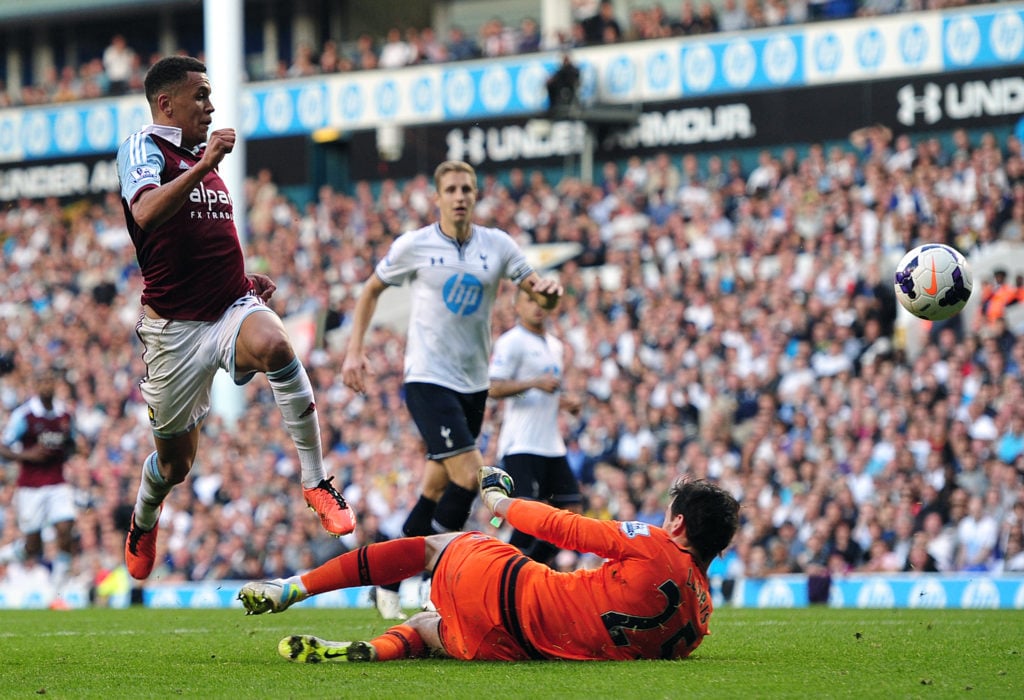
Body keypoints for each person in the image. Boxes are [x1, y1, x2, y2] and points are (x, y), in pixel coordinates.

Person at [116, 55, 355, 581]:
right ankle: (144, 514)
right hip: (173, 332)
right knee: (176, 467)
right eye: (199, 95)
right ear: (166, 103)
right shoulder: (143, 148)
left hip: (229, 307)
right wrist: (204, 166)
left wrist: (247, 284)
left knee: (276, 344)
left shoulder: (203, 157)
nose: (210, 104)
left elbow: (207, 238)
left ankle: (316, 481)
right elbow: (147, 213)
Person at [341, 159, 563, 620]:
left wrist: (549, 293)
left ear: (476, 195)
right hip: (427, 378)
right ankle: (432, 578)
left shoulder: (496, 245)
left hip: (474, 384)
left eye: (467, 188)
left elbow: (535, 290)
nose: (460, 196)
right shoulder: (416, 245)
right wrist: (353, 351)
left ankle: (387, 575)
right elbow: (370, 290)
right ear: (438, 197)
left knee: (432, 490)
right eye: (452, 189)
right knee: (469, 476)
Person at [238, 466, 740, 663]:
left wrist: (500, 501)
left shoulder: (654, 544)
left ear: (677, 526)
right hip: (505, 648)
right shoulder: (699, 623)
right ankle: (371, 649)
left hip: (509, 591)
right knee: (427, 627)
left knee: (440, 545)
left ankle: (295, 588)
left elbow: (567, 528)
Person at [488, 287, 583, 565]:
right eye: (529, 299)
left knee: (569, 513)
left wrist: (565, 403)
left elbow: (545, 395)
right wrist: (532, 383)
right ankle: (498, 568)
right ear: (517, 305)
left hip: (551, 443)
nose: (537, 305)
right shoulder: (511, 342)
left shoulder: (554, 345)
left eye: (541, 299)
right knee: (530, 516)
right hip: (521, 443)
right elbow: (494, 388)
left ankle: (532, 571)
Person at [0, 368, 79, 590]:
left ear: (55, 385)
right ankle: (4, 556)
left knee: (65, 528)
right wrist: (27, 455)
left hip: (57, 483)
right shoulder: (25, 415)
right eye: (42, 381)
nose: (46, 385)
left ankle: (57, 590)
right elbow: (3, 447)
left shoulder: (65, 415)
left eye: (50, 381)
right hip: (30, 487)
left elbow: (72, 442)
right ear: (35, 386)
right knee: (32, 547)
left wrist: (72, 449)